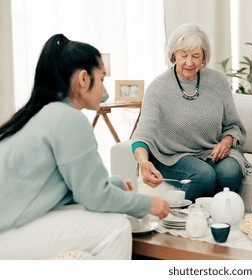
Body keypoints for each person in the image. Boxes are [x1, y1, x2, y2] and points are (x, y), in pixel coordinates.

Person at [0, 34, 170, 259]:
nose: (104, 90)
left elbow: (65, 185)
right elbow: (94, 197)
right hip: (8, 234)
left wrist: (115, 184)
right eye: (101, 79)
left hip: (10, 226)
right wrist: (146, 203)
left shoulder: (42, 113)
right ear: (82, 79)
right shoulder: (67, 118)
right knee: (116, 227)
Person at [131, 23, 247, 202]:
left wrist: (226, 141)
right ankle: (180, 218)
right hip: (172, 156)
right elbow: (143, 135)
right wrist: (143, 162)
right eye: (183, 55)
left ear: (204, 57)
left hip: (210, 151)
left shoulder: (218, 81)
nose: (189, 62)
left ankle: (219, 219)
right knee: (204, 175)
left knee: (231, 172)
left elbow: (233, 126)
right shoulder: (158, 88)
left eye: (196, 56)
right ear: (173, 54)